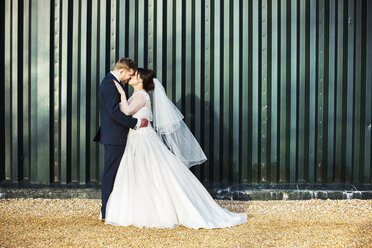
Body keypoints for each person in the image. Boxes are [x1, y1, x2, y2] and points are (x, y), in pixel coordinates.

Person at [102, 68, 247, 229]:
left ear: (141, 80)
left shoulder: (141, 95)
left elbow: (127, 111)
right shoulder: (137, 95)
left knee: (150, 172)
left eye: (135, 75)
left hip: (142, 139)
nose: (131, 77)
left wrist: (121, 93)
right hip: (136, 138)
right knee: (139, 173)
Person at [95, 58, 148, 222]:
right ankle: (106, 211)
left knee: (116, 174)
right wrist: (136, 123)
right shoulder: (110, 85)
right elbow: (114, 113)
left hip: (115, 136)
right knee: (110, 175)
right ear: (121, 71)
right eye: (129, 74)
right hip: (114, 137)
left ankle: (112, 209)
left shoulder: (111, 83)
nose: (129, 78)